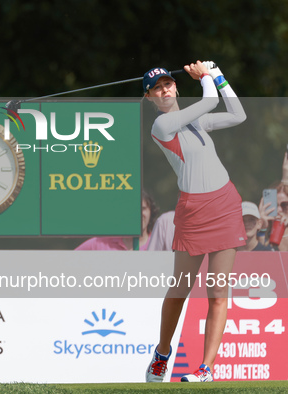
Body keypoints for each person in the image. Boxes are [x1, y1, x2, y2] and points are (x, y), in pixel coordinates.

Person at [143, 61, 247, 383]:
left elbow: (237, 114)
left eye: (167, 84)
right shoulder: (161, 126)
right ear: (149, 98)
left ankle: (205, 369)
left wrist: (218, 76)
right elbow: (210, 100)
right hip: (193, 211)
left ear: (175, 87)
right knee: (180, 290)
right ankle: (162, 353)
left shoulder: (197, 119)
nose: (164, 90)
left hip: (225, 205)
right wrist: (205, 76)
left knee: (217, 293)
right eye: (156, 88)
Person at [75, 190, 158, 250]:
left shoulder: (158, 245)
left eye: (143, 208)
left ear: (151, 211)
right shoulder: (99, 244)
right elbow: (68, 261)